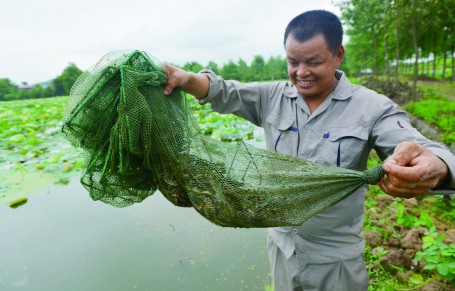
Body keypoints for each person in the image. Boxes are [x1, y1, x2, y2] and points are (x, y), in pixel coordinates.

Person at [163, 10, 455, 291]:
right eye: (293, 62)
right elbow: (222, 91)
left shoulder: (372, 107)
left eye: (313, 62)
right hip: (282, 249)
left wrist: (438, 165)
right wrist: (186, 78)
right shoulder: (272, 97)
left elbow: (425, 149)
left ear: (338, 55)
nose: (301, 72)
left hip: (335, 258)